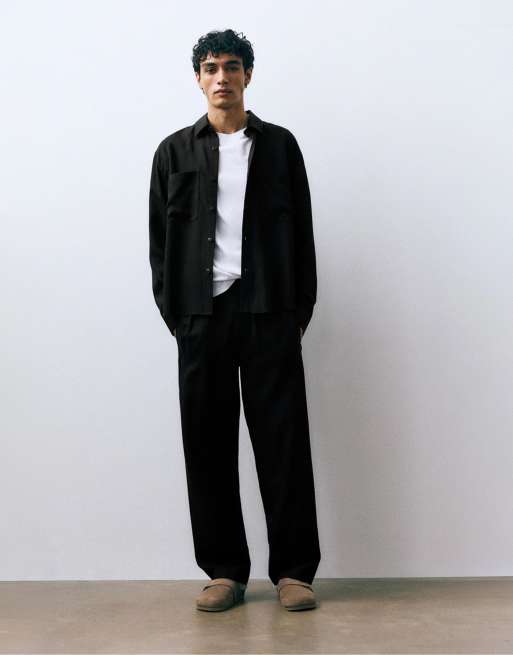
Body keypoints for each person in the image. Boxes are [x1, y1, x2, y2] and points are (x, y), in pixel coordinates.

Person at [148, 28, 321, 612]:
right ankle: (224, 571)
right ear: (199, 79)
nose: (221, 76)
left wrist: (297, 312)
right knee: (206, 443)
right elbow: (159, 244)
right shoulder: (173, 152)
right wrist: (178, 314)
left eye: (231, 66)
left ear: (248, 74)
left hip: (269, 310)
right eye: (211, 67)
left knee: (283, 442)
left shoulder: (280, 147)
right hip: (202, 314)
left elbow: (303, 233)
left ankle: (294, 572)